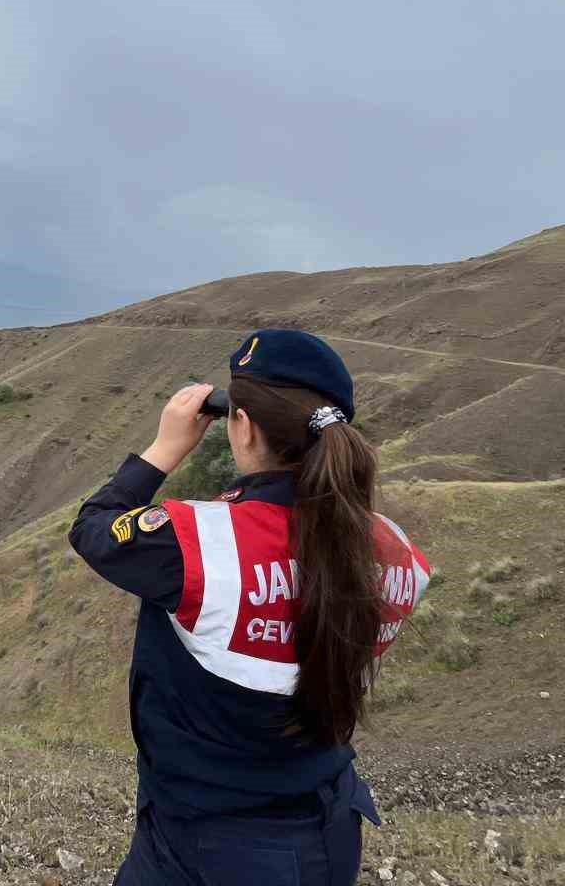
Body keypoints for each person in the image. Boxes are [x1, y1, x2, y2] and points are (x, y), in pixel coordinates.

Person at [69, 328, 430, 886]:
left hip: (210, 842)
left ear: (244, 426)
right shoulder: (393, 550)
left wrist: (165, 448)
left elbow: (94, 530)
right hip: (332, 825)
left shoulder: (202, 544)